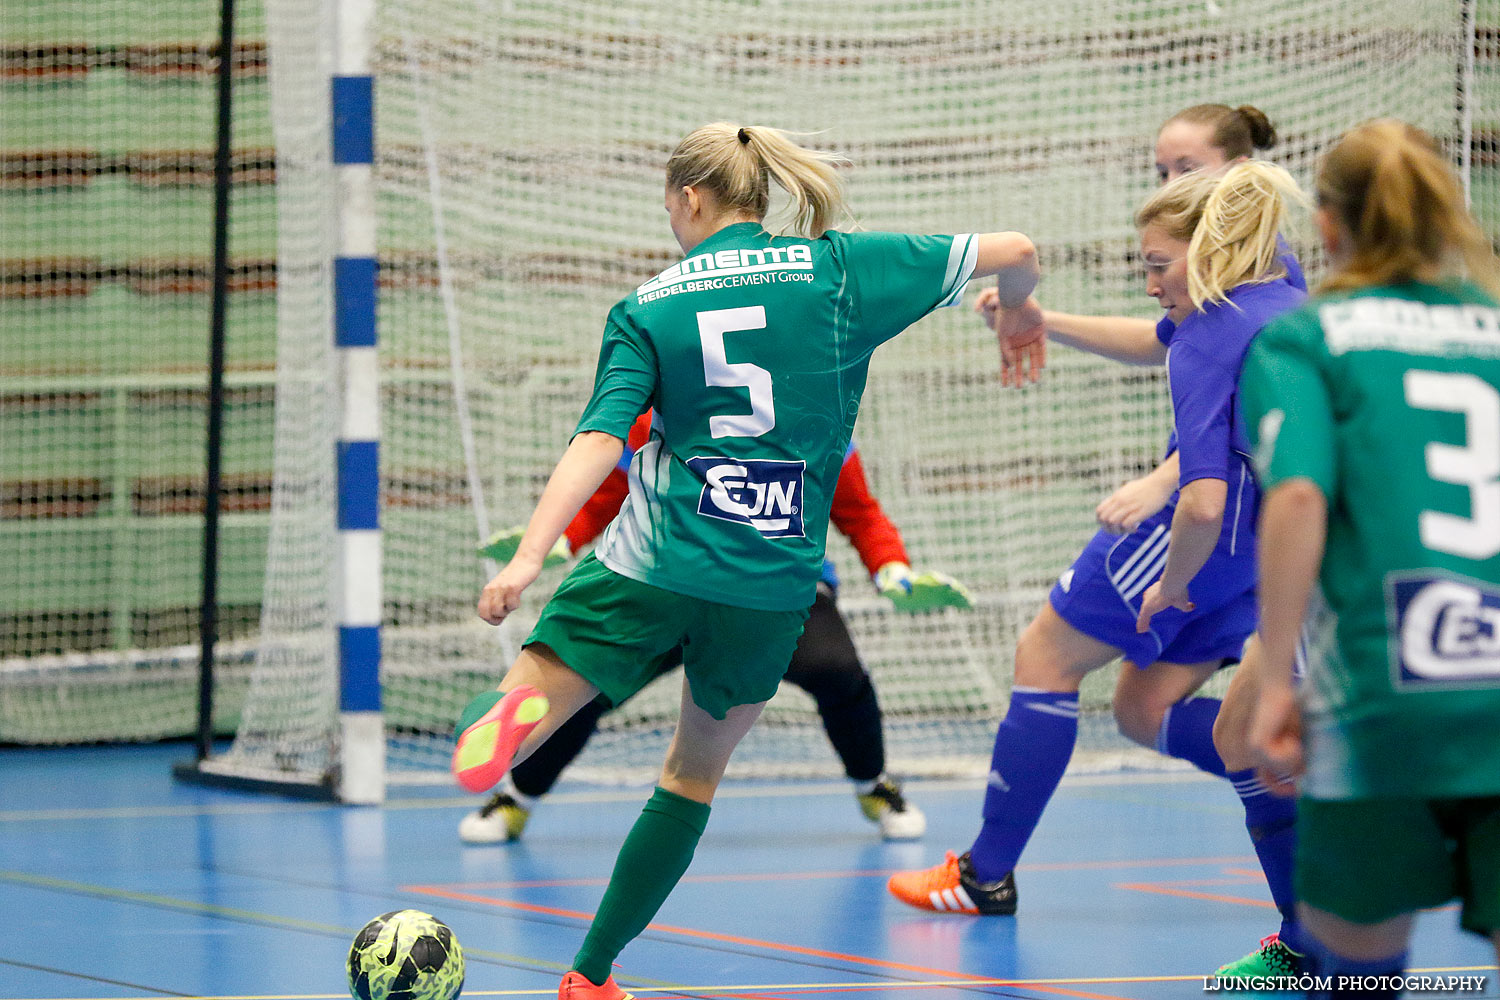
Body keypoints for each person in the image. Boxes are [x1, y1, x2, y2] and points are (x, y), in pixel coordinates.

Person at [449, 120, 1042, 1000]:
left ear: (690, 198)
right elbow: (1018, 248)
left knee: (544, 684)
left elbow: (600, 440)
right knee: (690, 777)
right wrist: (1020, 307)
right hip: (769, 585)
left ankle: (510, 720)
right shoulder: (840, 270)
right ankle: (590, 974)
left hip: (651, 562)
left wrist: (529, 557)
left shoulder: (648, 304)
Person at [889, 161, 1305, 950]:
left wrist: (1168, 493)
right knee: (1145, 711)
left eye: (1183, 165)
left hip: (1213, 531)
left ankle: (986, 872)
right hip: (1281, 545)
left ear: (1218, 223)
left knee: (1044, 652)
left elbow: (1210, 457)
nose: (1149, 283)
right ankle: (1315, 825)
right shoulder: (1286, 290)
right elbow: (1248, 394)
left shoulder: (1214, 326)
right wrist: (1050, 322)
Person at [1242, 119, 1500, 1000]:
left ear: (1326, 223)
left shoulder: (1306, 340)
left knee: (1358, 968)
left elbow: (1300, 498)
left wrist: (1276, 681)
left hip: (1388, 688)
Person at [460, 411, 972, 844]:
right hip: (667, 584)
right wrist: (554, 544)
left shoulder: (818, 417)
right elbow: (604, 500)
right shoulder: (656, 418)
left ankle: (874, 785)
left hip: (776, 589)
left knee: (838, 672)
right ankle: (519, 796)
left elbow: (859, 514)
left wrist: (893, 570)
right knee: (589, 682)